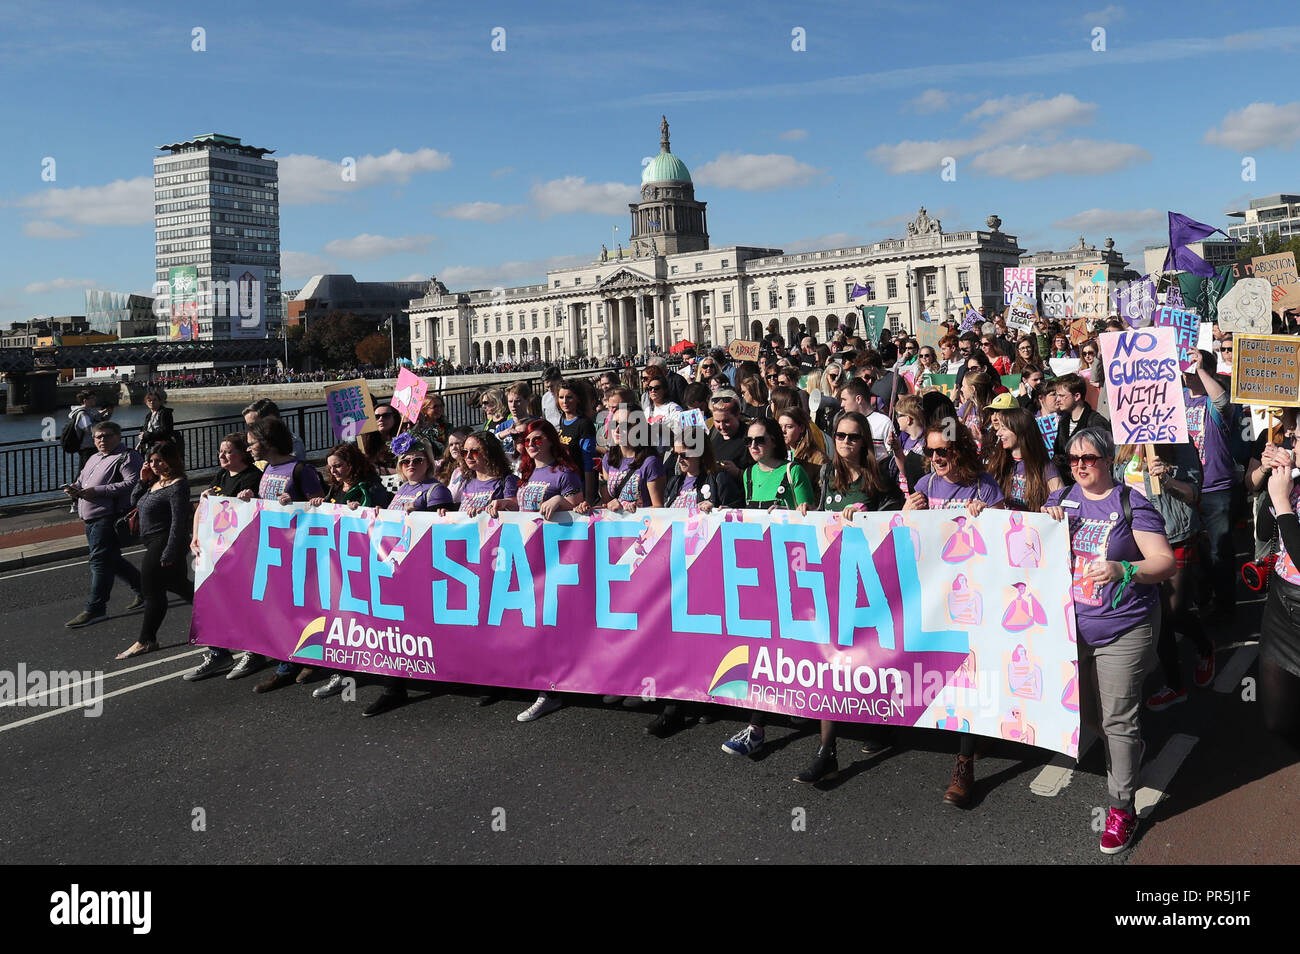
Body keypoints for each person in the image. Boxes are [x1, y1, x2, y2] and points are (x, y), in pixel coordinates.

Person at [1045, 427, 1175, 854]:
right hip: (1071, 629)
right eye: (1073, 459)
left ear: (1108, 460)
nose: (1080, 465)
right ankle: (1131, 746)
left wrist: (1124, 569)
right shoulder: (1060, 500)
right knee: (1090, 718)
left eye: (1090, 458)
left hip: (1124, 627)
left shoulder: (1131, 502)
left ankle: (1122, 808)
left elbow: (1164, 562)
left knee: (1117, 719)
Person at [790, 410, 904, 781]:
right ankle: (828, 749)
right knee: (831, 658)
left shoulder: (880, 473)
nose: (845, 442)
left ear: (865, 441)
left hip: (871, 580)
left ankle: (880, 723)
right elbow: (825, 516)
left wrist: (868, 517)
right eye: (839, 435)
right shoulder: (826, 472)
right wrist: (808, 512)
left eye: (853, 436)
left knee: (871, 655)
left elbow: (897, 519)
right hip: (835, 578)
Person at [903, 416, 1004, 807]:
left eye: (942, 451)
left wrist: (990, 514)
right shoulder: (925, 485)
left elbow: (1009, 538)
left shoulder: (983, 485)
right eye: (929, 452)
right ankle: (976, 736)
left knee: (970, 674)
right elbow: (908, 538)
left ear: (958, 449)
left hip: (975, 594)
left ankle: (964, 764)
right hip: (936, 593)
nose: (934, 458)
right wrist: (908, 510)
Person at [719, 417, 816, 758]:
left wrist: (788, 514)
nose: (754, 446)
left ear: (774, 440)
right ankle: (758, 724)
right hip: (759, 568)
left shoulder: (794, 472)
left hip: (791, 569)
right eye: (749, 441)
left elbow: (811, 520)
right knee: (763, 645)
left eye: (760, 440)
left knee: (793, 642)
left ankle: (789, 708)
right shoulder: (747, 475)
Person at [495, 419, 586, 723]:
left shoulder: (565, 473)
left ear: (549, 441)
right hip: (527, 558)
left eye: (536, 440)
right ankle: (542, 682)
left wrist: (563, 500)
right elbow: (526, 508)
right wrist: (504, 503)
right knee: (531, 622)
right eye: (526, 440)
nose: (530, 445)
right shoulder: (527, 474)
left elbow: (582, 507)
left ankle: (552, 689)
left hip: (556, 559)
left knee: (552, 622)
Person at [1114, 443, 1214, 711]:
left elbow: (1193, 494)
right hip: (1139, 539)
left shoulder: (1180, 446)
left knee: (1174, 611)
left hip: (1175, 536)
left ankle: (1205, 647)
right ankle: (1174, 685)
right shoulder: (1121, 446)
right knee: (1157, 617)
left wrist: (1167, 479)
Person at [360, 436, 452, 717]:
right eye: (405, 461)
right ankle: (393, 686)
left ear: (428, 461)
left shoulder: (436, 490)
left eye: (418, 460)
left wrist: (420, 515)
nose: (411, 465)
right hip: (396, 567)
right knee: (392, 628)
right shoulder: (401, 490)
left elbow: (443, 527)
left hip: (421, 568)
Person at [238, 417, 325, 693]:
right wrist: (251, 499)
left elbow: (320, 508)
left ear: (266, 442)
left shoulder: (301, 470)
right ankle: (287, 660)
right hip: (274, 551)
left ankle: (303, 660)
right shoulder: (267, 469)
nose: (249, 448)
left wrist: (296, 503)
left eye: (251, 443)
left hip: (301, 552)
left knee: (303, 608)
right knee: (277, 608)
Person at [184, 433, 263, 681]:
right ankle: (218, 652)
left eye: (228, 451)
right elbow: (204, 506)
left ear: (243, 453)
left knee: (243, 603)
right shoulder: (220, 476)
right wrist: (195, 536)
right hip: (215, 550)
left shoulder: (252, 478)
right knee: (213, 600)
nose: (222, 455)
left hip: (241, 552)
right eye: (221, 450)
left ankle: (254, 651)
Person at [114, 442, 193, 659]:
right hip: (152, 542)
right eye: (151, 460)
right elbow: (134, 502)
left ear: (171, 460)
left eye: (159, 460)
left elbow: (178, 522)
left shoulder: (178, 485)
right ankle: (222, 614)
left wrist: (169, 552)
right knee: (181, 586)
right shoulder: (156, 482)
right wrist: (142, 479)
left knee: (151, 591)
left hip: (163, 542)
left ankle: (146, 640)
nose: (154, 464)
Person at [63, 421, 144, 628]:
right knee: (113, 560)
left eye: (107, 436)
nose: (101, 440)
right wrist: (74, 488)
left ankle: (96, 608)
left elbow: (133, 483)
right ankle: (145, 591)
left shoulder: (127, 457)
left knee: (99, 562)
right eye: (98, 437)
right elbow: (82, 481)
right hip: (89, 517)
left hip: (108, 517)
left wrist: (98, 491)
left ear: (118, 436)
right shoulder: (93, 458)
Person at [1182, 349, 1237, 621]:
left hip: (1216, 488)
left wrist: (1201, 369)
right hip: (1186, 488)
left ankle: (1226, 605)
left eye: (1193, 367)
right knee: (1196, 553)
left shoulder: (1213, 402)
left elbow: (1222, 401)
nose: (1187, 371)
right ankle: (1203, 599)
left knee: (1218, 551)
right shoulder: (1178, 399)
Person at [1260, 442, 1300, 748]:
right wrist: (1273, 479)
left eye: (1299, 440)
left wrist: (1283, 503)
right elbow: (1263, 529)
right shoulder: (1295, 479)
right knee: (1277, 719)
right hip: (1281, 606)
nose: (1293, 446)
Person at [584, 406, 665, 511]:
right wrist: (586, 508)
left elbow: (659, 508)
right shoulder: (608, 459)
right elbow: (607, 505)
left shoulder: (650, 463)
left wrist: (628, 510)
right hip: (617, 525)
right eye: (614, 424)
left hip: (642, 525)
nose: (617, 429)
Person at [986, 401, 1062, 512]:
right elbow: (987, 496)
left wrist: (1053, 508)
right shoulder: (999, 462)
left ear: (1020, 431)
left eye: (1004, 428)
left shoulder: (1045, 467)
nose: (998, 433)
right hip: (1003, 526)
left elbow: (1061, 500)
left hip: (1032, 527)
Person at [1051, 373, 1108, 482]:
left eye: (1062, 396)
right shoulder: (1063, 421)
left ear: (1077, 396)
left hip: (1091, 483)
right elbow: (1058, 453)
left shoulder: (1096, 422)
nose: (1057, 400)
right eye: (1056, 395)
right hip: (1067, 484)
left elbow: (1105, 457)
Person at [555, 380, 598, 503]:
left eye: (569, 397)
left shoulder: (584, 424)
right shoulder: (562, 420)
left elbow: (589, 462)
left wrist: (589, 498)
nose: (564, 401)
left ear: (578, 399)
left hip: (581, 484)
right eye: (561, 397)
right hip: (565, 483)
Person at [778, 405, 827, 497]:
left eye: (789, 427)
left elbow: (821, 493)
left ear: (801, 428)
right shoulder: (777, 453)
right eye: (780, 426)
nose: (783, 431)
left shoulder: (818, 458)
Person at [69, 391, 110, 469]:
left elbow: (95, 421)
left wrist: (103, 414)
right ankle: (79, 481)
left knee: (89, 470)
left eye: (95, 398)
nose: (95, 400)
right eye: (92, 398)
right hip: (86, 447)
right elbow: (90, 429)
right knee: (85, 470)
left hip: (91, 445)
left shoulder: (89, 412)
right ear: (85, 400)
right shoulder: (82, 414)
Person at [435, 426, 473, 502]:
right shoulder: (447, 465)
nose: (453, 448)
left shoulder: (474, 468)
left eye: (458, 443)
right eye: (451, 445)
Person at [136, 387, 179, 454]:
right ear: (146, 403)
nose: (152, 402)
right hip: (150, 448)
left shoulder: (164, 413)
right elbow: (145, 430)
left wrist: (147, 435)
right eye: (149, 400)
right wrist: (141, 442)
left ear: (160, 401)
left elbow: (165, 431)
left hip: (161, 448)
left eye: (155, 400)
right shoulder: (149, 415)